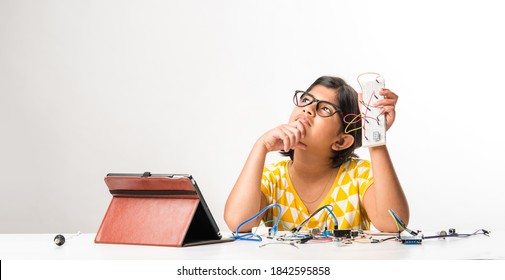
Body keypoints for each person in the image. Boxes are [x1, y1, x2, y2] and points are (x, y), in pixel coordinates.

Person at [224, 75, 409, 233]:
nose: (308, 109)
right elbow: (237, 222)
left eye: (325, 108)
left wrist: (374, 136)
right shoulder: (273, 178)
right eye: (305, 100)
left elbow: (394, 224)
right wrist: (261, 146)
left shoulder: (358, 175)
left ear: (341, 141)